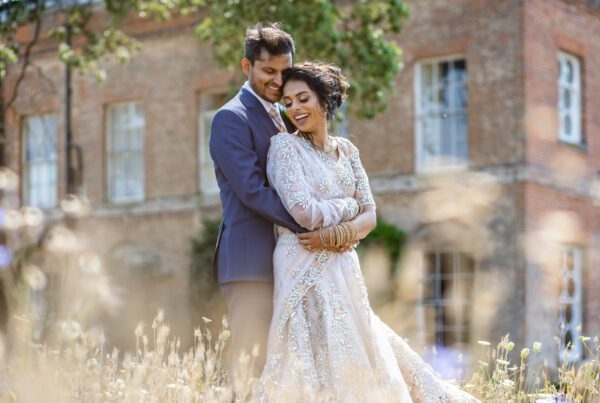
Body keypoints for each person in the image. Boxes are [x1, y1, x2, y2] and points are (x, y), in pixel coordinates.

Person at [257, 62, 480, 402]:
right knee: (313, 349)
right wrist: (349, 208)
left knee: (360, 342)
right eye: (288, 103)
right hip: (303, 262)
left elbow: (371, 215)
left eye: (303, 98)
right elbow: (302, 212)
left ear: (325, 100)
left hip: (344, 264)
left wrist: (334, 236)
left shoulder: (347, 150)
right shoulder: (284, 148)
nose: (295, 109)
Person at [208, 24, 343, 389]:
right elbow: (253, 191)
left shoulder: (286, 118)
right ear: (246, 66)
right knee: (251, 362)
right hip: (251, 262)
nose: (278, 80)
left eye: (285, 71)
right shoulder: (230, 118)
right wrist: (313, 225)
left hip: (289, 259)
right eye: (269, 71)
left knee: (290, 367)